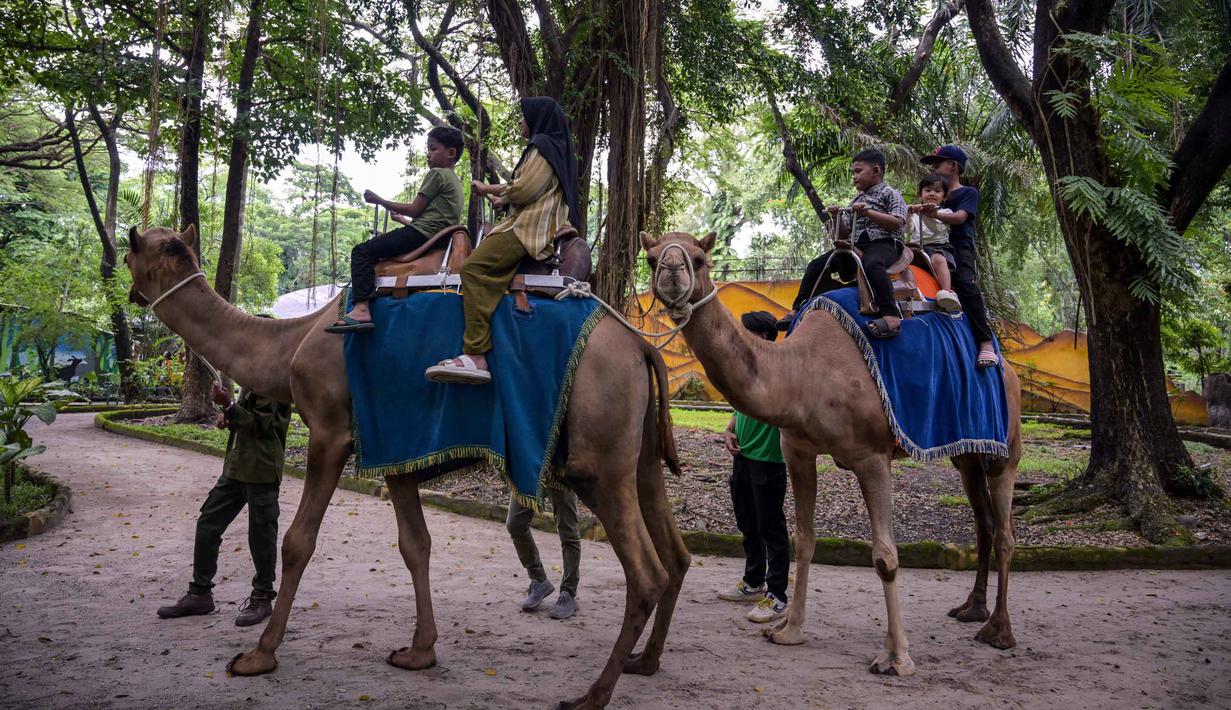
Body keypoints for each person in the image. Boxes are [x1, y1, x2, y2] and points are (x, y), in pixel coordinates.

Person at [424, 96, 581, 384]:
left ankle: (475, 354)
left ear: (536, 119)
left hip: (530, 227)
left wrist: (488, 188)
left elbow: (524, 190)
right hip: (535, 220)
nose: (521, 122)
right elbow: (531, 192)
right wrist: (503, 199)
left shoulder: (542, 146)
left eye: (524, 117)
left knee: (473, 270)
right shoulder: (557, 148)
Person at [157, 381, 292, 626]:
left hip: (261, 470)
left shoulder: (271, 380)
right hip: (236, 468)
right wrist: (229, 417)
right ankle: (200, 593)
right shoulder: (252, 378)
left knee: (261, 536)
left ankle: (262, 597)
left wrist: (228, 405)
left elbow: (260, 425)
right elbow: (246, 420)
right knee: (208, 523)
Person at [326, 125, 466, 333]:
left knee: (362, 252)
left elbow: (416, 210)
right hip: (436, 237)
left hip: (421, 234)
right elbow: (432, 222)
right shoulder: (456, 182)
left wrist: (379, 200)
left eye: (433, 148)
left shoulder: (437, 174)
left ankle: (361, 308)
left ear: (451, 153)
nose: (428, 154)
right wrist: (402, 221)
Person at [717, 311, 790, 624]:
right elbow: (740, 407)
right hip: (743, 456)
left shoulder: (780, 370)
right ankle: (752, 583)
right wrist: (730, 429)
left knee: (771, 528)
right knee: (747, 522)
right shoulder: (747, 369)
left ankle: (777, 595)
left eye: (745, 332)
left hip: (769, 459)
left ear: (761, 337)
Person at [789, 148, 908, 339]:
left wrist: (868, 213)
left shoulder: (891, 194)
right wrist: (836, 217)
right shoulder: (856, 200)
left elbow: (897, 222)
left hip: (884, 242)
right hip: (857, 245)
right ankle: (797, 308)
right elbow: (845, 233)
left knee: (873, 264)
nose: (854, 176)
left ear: (876, 171)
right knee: (816, 264)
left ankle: (891, 316)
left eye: (858, 171)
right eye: (853, 172)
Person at [920, 144, 996, 366]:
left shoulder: (967, 193)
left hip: (958, 247)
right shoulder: (932, 194)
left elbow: (961, 217)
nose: (933, 167)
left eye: (937, 163)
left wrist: (935, 213)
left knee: (965, 283)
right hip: (929, 247)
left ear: (953, 166)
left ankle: (985, 343)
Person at [506, 487, 582, 620]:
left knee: (568, 533)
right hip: (529, 469)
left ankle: (568, 593)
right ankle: (539, 579)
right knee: (515, 524)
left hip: (558, 472)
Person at [905, 172, 961, 314]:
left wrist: (929, 215)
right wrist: (909, 213)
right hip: (916, 248)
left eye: (937, 191)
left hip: (937, 247)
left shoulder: (946, 212)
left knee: (939, 259)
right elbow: (908, 229)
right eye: (928, 190)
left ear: (944, 196)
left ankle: (947, 292)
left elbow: (935, 229)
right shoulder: (916, 213)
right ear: (920, 194)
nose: (932, 194)